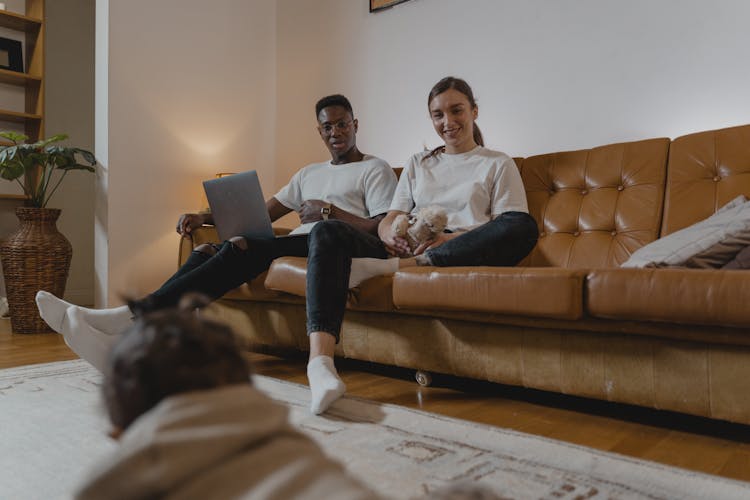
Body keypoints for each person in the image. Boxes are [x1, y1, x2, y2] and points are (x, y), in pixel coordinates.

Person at [35, 94, 397, 376]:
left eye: (342, 125)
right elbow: (266, 212)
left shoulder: (374, 169)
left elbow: (381, 228)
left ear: (356, 124)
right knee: (209, 249)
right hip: (296, 243)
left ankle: (125, 322)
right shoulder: (308, 173)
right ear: (319, 131)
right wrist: (203, 215)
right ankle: (136, 336)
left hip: (333, 244)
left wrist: (329, 212)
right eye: (328, 127)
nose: (336, 133)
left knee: (240, 246)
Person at [302, 76, 539, 414]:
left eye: (456, 110)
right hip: (408, 245)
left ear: (474, 111)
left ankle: (397, 268)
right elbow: (390, 217)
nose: (448, 122)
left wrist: (448, 240)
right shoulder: (418, 162)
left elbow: (507, 226)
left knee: (524, 225)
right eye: (438, 115)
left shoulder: (497, 163)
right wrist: (389, 235)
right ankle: (320, 365)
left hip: (464, 248)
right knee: (324, 232)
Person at [75, 295, 381, 500]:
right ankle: (125, 316)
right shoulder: (287, 442)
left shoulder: (122, 482)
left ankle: (125, 317)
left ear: (119, 432)